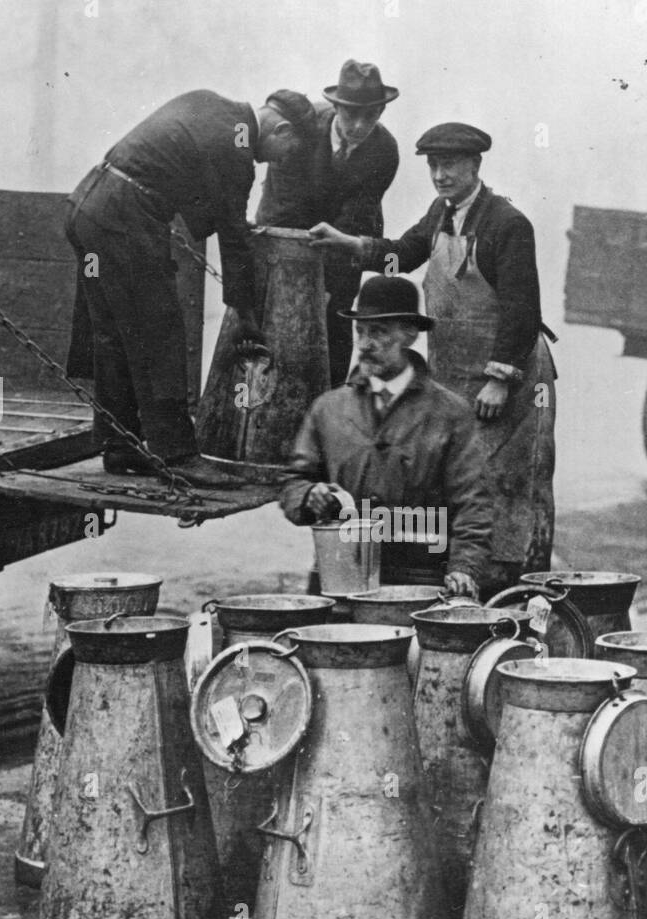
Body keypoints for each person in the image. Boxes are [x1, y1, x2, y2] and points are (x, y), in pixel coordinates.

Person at [308, 122, 556, 598]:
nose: (441, 175)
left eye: (451, 166)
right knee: (456, 476)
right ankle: (456, 584)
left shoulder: (508, 224)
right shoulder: (440, 214)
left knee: (506, 483)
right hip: (458, 374)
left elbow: (523, 309)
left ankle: (515, 591)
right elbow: (401, 255)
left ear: (475, 166)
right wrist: (352, 245)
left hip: (513, 380)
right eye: (434, 166)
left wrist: (500, 378)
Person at [64, 88, 317, 486]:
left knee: (115, 332)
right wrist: (246, 316)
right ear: (281, 127)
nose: (282, 160)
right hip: (124, 217)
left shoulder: (212, 104)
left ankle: (119, 445)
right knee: (159, 332)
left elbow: (197, 198)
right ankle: (178, 454)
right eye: (289, 150)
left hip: (88, 207)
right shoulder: (238, 149)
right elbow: (233, 237)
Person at [279, 275, 490, 598]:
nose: (364, 344)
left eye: (378, 332)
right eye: (359, 331)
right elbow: (294, 481)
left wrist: (464, 568)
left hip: (420, 582)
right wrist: (309, 495)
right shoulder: (328, 409)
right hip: (339, 579)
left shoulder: (451, 414)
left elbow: (473, 504)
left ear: (409, 334)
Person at [256, 59, 400, 387]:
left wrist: (327, 289)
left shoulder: (385, 151)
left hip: (343, 247)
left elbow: (354, 221)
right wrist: (300, 285)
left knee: (333, 327)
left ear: (381, 112)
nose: (360, 126)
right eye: (351, 114)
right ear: (335, 106)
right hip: (288, 234)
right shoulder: (305, 130)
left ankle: (328, 407)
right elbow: (283, 209)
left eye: (371, 115)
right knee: (274, 331)